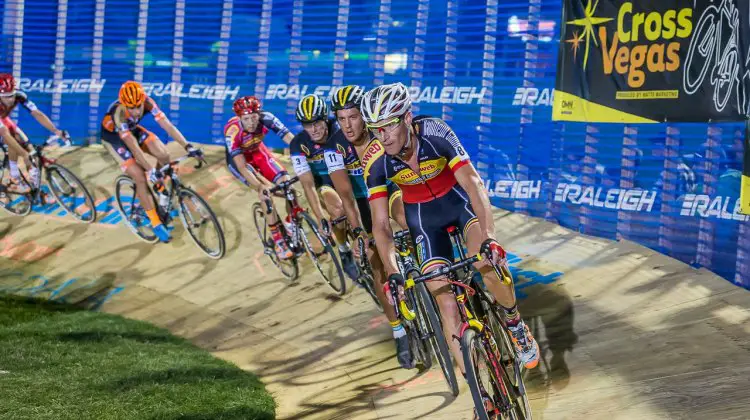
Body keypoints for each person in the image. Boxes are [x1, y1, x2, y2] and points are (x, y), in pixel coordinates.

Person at [360, 83, 540, 376]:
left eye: (388, 127)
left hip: (459, 206)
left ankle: (515, 323)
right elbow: (380, 225)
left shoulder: (435, 132)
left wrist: (490, 237)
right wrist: (393, 272)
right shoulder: (376, 160)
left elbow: (472, 183)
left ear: (407, 118)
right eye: (375, 129)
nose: (383, 136)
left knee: (485, 263)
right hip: (424, 222)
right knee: (445, 304)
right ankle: (481, 387)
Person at [328, 85, 412, 368]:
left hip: (391, 188)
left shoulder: (380, 130)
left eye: (352, 117)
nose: (348, 125)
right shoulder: (335, 147)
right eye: (341, 119)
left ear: (363, 116)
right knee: (377, 263)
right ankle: (399, 330)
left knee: (405, 217)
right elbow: (347, 198)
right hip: (363, 202)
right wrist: (359, 233)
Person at [101, 80, 202, 243]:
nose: (135, 111)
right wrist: (150, 170)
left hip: (132, 131)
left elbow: (167, 126)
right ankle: (155, 222)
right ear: (124, 104)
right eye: (131, 107)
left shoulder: (148, 102)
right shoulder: (119, 114)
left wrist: (188, 146)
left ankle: (159, 188)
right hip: (114, 140)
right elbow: (134, 148)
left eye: (138, 106)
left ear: (143, 101)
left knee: (163, 155)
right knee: (139, 176)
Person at [288, 94, 359, 282]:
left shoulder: (341, 129)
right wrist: (320, 217)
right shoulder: (298, 144)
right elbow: (308, 184)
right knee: (337, 209)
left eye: (317, 123)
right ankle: (344, 250)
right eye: (307, 124)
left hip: (349, 174)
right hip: (324, 183)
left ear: (326, 119)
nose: (313, 129)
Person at [224, 95, 295, 259]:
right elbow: (242, 166)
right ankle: (278, 241)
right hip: (240, 161)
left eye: (254, 117)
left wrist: (306, 154)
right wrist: (260, 186)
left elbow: (290, 139)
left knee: (287, 185)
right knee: (265, 194)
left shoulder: (267, 118)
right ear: (240, 117)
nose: (251, 122)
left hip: (257, 152)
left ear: (259, 113)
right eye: (246, 119)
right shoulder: (233, 131)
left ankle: (291, 222)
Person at [0, 73, 70, 194]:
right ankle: (15, 178)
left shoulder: (19, 95)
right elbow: (4, 134)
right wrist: (24, 155)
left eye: (11, 95)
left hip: (3, 119)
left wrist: (56, 131)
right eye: (6, 97)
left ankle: (34, 187)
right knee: (13, 141)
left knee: (29, 149)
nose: (10, 100)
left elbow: (37, 113)